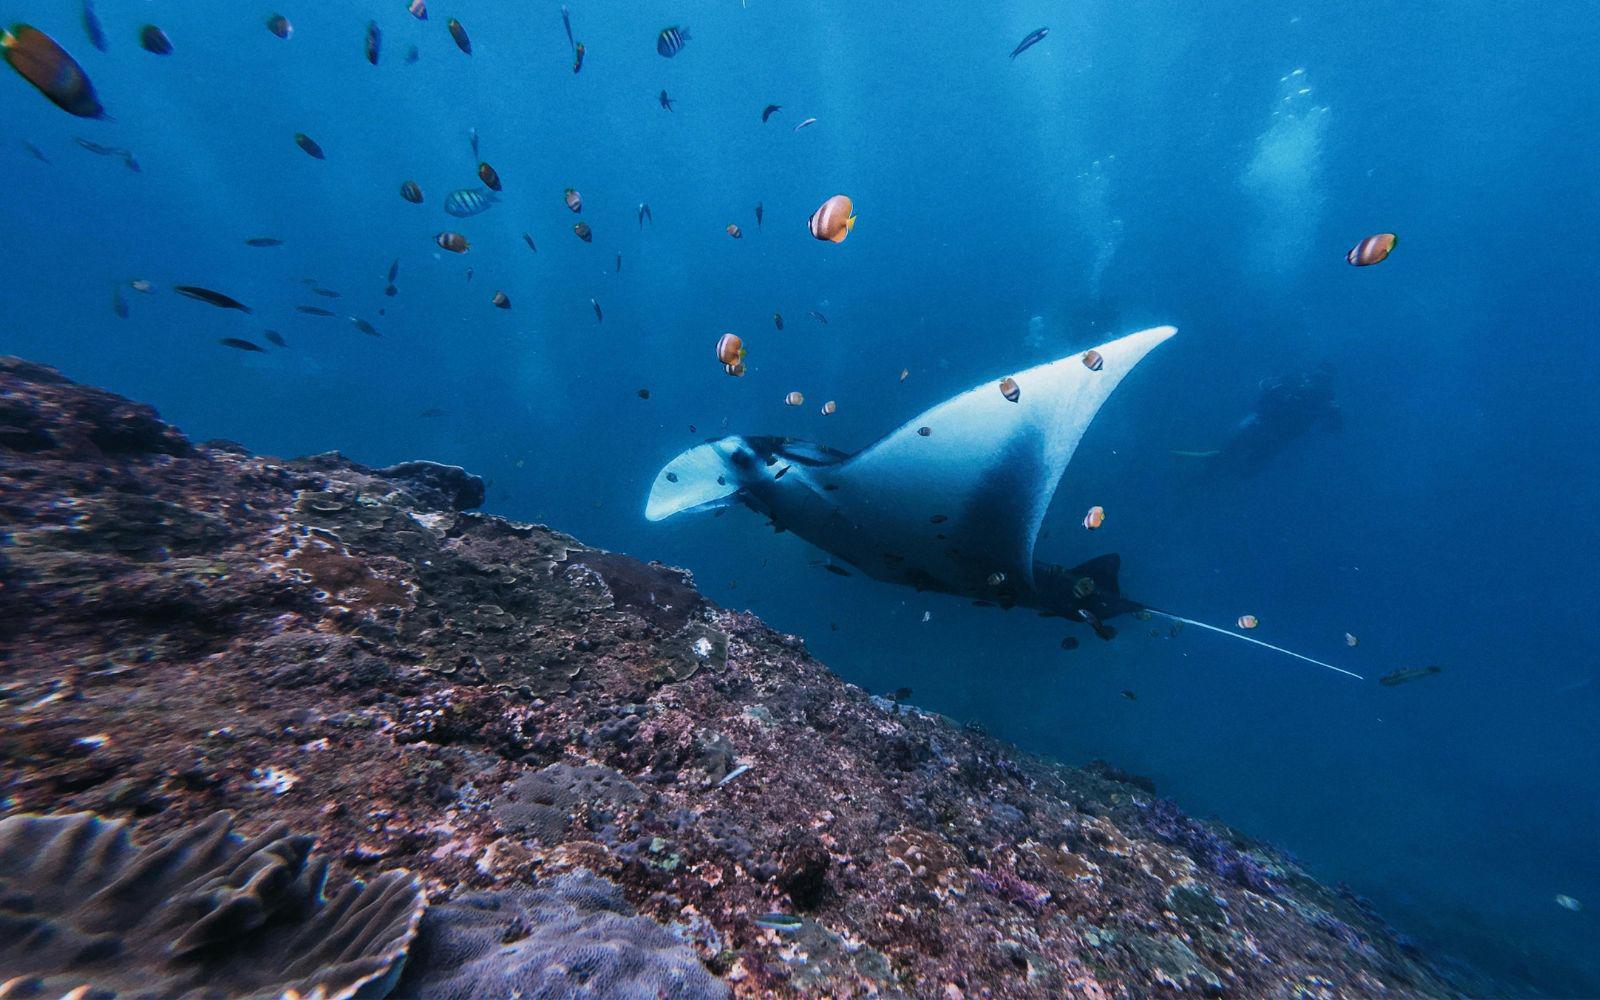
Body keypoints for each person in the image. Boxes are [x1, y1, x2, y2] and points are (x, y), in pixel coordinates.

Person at [1217, 363, 1342, 475]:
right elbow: (1264, 388)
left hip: (1280, 437)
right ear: (1313, 373)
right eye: (1317, 376)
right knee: (1229, 450)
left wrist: (1333, 412)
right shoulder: (1297, 380)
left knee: (1250, 467)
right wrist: (1289, 388)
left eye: (1324, 379)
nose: (1318, 381)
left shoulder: (1326, 398)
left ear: (1328, 381)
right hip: (1262, 424)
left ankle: (1225, 480)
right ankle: (1214, 470)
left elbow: (1334, 427)